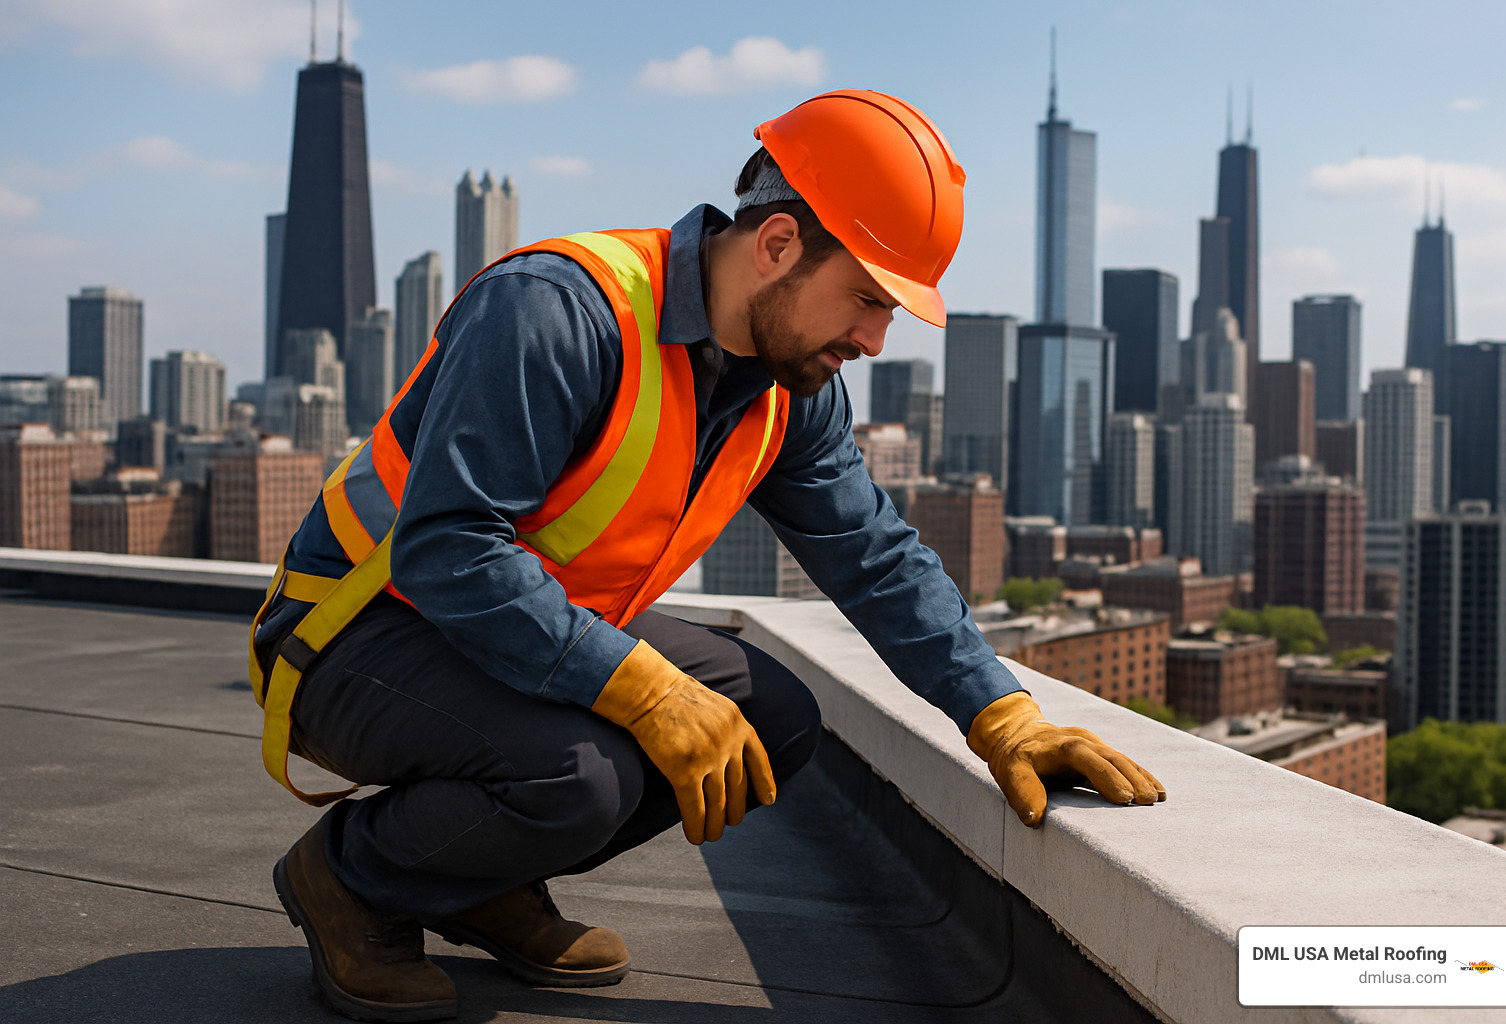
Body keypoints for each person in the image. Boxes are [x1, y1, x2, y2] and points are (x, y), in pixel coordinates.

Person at [250, 88, 1165, 1023]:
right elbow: (449, 550)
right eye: (864, 298)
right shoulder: (557, 311)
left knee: (771, 718)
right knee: (581, 776)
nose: (874, 340)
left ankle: (476, 880)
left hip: (506, 635)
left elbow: (874, 556)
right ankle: (352, 879)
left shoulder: (788, 386)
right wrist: (645, 689)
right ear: (775, 245)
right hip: (352, 633)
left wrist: (1001, 714)